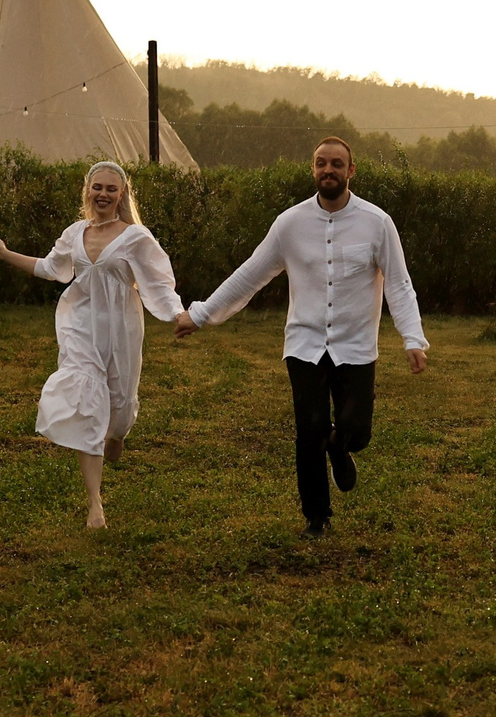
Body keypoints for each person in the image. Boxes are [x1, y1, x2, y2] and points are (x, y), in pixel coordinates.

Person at [173, 136, 427, 533]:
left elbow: (399, 284)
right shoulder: (289, 224)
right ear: (313, 169)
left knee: (357, 432)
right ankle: (317, 517)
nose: (329, 170)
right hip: (304, 345)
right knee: (308, 432)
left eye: (337, 164)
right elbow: (250, 275)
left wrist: (413, 338)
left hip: (356, 347)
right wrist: (201, 314)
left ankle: (340, 447)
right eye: (321, 163)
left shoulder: (377, 223)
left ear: (351, 171)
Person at [0, 161, 183, 529]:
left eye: (111, 189)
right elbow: (50, 267)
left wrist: (178, 314)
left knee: (119, 407)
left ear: (121, 195)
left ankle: (118, 433)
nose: (103, 194)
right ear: (87, 191)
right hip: (78, 327)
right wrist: (6, 254)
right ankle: (95, 506)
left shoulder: (136, 237)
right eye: (97, 187)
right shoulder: (75, 233)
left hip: (120, 329)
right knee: (89, 402)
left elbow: (158, 284)